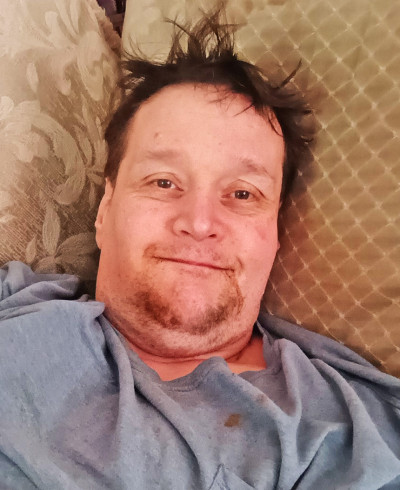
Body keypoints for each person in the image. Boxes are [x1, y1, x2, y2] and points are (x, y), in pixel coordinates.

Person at [1, 6, 399, 490]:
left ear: (276, 235)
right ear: (104, 211)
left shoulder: (354, 433)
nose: (199, 222)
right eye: (164, 181)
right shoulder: (16, 306)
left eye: (243, 194)